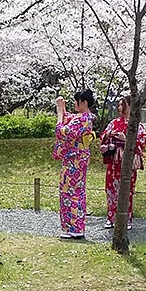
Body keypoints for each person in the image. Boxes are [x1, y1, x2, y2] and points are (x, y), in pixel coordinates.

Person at [53, 89, 96, 239]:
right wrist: (63, 107)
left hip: (75, 159)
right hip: (77, 158)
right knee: (73, 191)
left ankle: (75, 228)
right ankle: (72, 227)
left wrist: (59, 112)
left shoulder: (83, 119)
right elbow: (69, 118)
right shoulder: (84, 117)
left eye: (76, 101)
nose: (74, 104)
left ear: (84, 102)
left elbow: (63, 131)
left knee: (71, 192)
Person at [100, 96, 146, 229]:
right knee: (110, 188)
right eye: (119, 105)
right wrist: (110, 134)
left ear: (130, 107)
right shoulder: (114, 122)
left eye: (123, 105)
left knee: (127, 189)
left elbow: (142, 140)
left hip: (127, 161)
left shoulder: (136, 124)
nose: (120, 108)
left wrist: (126, 138)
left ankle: (126, 219)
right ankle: (111, 217)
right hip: (113, 161)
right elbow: (103, 135)